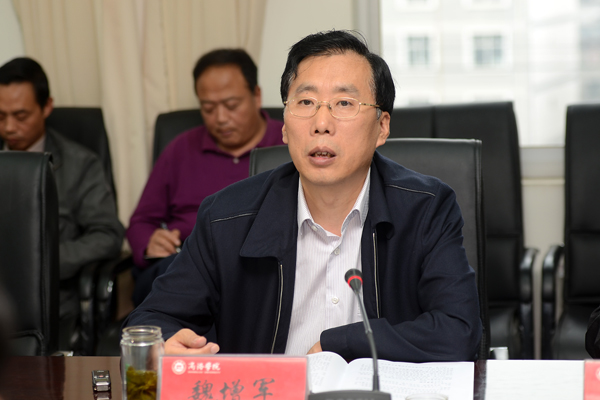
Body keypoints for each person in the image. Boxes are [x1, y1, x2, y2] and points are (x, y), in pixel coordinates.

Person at [125, 30, 482, 362]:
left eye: (344, 103)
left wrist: (342, 343)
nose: (321, 123)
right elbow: (150, 321)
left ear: (382, 127)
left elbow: (460, 331)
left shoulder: (426, 209)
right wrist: (165, 344)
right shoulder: (226, 217)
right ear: (284, 125)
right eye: (306, 101)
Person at [126, 49, 285, 305]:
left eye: (231, 106)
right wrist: (149, 243)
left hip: (261, 268)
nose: (220, 118)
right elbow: (141, 221)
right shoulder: (180, 149)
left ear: (256, 96)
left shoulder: (287, 144)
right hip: (187, 266)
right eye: (208, 108)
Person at [0, 57, 124, 350]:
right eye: (0, 116)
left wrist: (45, 260)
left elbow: (107, 235)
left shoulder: (80, 164)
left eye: (20, 116)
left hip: (50, 299)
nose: (9, 127)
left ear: (46, 107)